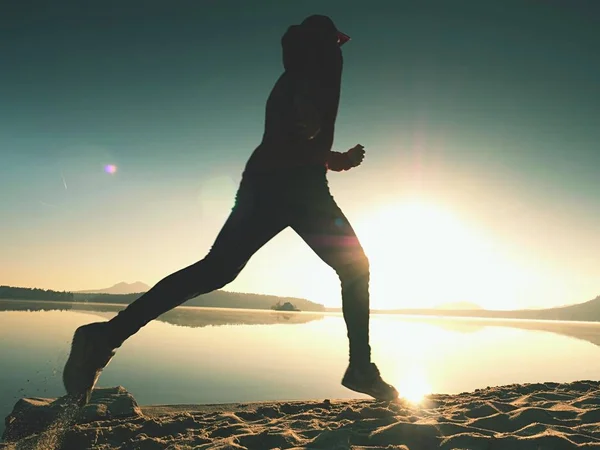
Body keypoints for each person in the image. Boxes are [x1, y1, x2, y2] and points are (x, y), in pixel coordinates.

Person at [63, 14, 399, 406]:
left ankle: (104, 338)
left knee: (218, 268)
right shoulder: (315, 70)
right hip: (299, 187)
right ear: (325, 43)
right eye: (335, 45)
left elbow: (288, 136)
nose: (339, 52)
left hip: (268, 182)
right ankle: (361, 367)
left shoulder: (295, 74)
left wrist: (331, 157)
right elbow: (297, 126)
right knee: (355, 267)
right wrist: (320, 145)